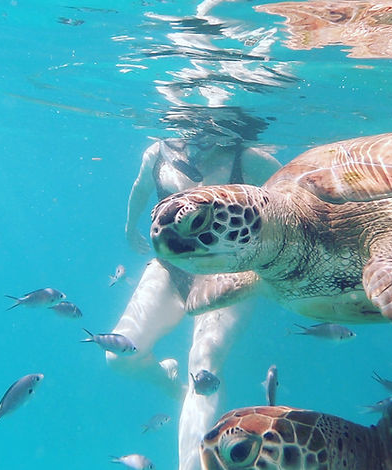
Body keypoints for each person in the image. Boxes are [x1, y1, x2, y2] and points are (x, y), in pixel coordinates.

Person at [108, 109, 280, 470]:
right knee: (119, 354)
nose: (201, 134)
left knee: (204, 366)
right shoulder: (158, 152)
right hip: (172, 268)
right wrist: (129, 228)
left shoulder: (248, 159)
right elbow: (141, 189)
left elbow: (293, 200)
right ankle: (175, 387)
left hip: (230, 271)